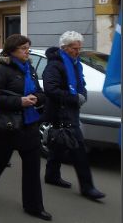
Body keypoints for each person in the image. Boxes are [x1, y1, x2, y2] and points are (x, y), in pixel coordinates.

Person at [0, 34, 52, 221]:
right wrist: (19, 101)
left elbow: (39, 91)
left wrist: (37, 98)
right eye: (23, 48)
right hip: (7, 127)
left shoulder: (29, 68)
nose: (27, 52)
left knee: (32, 168)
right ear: (12, 50)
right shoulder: (1, 69)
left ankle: (34, 206)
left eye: (28, 48)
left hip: (29, 125)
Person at [43, 31, 105, 201]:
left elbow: (80, 84)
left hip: (70, 112)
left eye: (79, 48)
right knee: (79, 150)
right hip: (61, 113)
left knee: (58, 145)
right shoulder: (55, 65)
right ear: (65, 48)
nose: (78, 51)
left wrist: (82, 94)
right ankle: (88, 187)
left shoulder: (75, 64)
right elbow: (50, 89)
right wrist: (73, 98)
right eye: (74, 48)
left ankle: (51, 176)